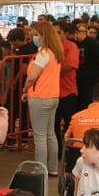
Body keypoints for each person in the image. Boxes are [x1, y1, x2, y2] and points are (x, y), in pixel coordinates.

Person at [25, 21, 65, 175]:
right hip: (53, 96)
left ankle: (40, 169)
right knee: (50, 134)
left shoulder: (42, 54)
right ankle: (53, 168)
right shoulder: (56, 53)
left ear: (43, 36)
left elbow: (32, 77)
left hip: (39, 97)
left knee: (40, 136)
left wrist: (25, 88)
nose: (34, 37)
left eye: (36, 34)